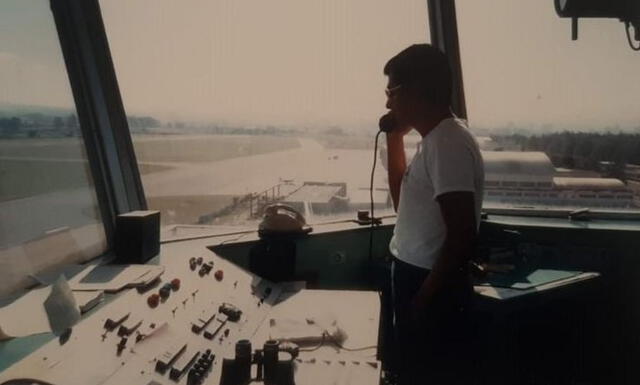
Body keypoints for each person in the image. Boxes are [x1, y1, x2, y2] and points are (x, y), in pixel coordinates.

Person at [382, 44, 484, 385]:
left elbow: (461, 235)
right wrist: (395, 138)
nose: (387, 103)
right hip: (415, 275)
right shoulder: (433, 141)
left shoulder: (448, 143)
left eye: (391, 92)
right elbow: (402, 206)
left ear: (413, 91)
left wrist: (424, 297)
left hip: (430, 285)